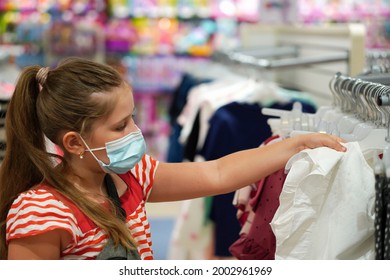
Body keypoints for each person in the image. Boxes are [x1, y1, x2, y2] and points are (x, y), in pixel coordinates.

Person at [0, 57, 346, 260]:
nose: (135, 132)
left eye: (132, 118)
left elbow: (217, 173)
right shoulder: (41, 212)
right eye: (120, 126)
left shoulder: (132, 176)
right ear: (75, 143)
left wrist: (294, 145)